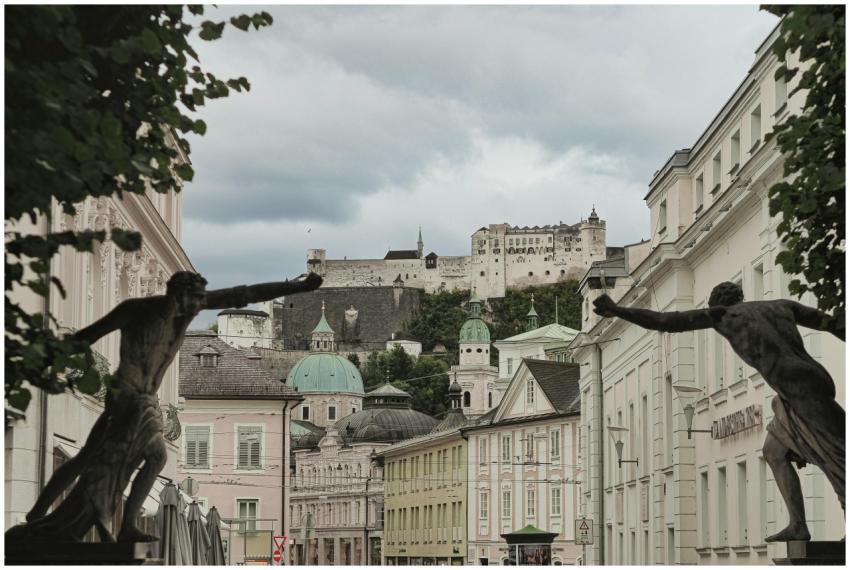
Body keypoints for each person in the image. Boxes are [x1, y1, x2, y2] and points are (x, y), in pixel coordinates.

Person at [9, 271, 322, 542]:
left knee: (148, 456)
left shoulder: (188, 308)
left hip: (146, 399)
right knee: (96, 457)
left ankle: (122, 525)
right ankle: (47, 514)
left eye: (200, 301)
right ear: (178, 294)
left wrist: (296, 287)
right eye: (193, 301)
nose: (197, 308)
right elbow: (86, 337)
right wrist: (43, 357)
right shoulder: (135, 310)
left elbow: (246, 294)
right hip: (125, 394)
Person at [593, 282, 844, 542]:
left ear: (717, 304)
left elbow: (666, 321)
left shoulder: (722, 315)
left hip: (799, 389)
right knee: (774, 450)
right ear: (741, 296)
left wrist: (618, 310)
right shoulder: (782, 306)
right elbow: (830, 323)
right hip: (806, 381)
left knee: (839, 457)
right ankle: (798, 524)